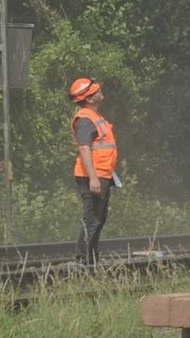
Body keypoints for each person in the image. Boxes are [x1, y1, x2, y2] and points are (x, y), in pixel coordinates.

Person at [68, 76, 117, 266]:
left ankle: (91, 260)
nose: (100, 92)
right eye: (95, 91)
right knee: (92, 219)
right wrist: (93, 178)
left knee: (99, 218)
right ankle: (82, 261)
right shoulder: (85, 120)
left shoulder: (95, 118)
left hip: (102, 175)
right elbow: (84, 149)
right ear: (88, 99)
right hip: (92, 177)